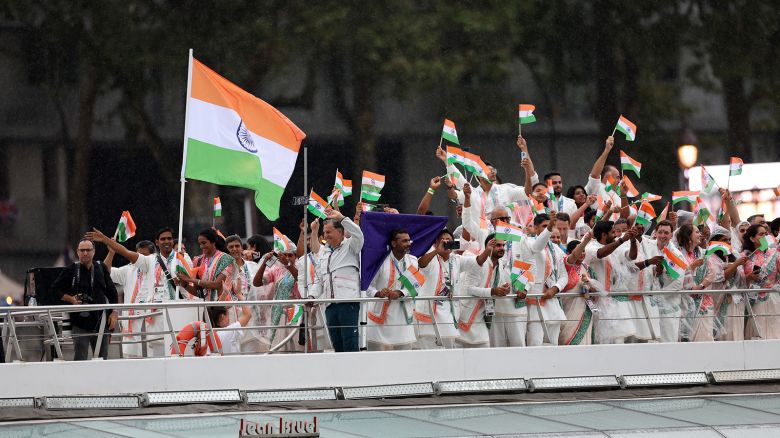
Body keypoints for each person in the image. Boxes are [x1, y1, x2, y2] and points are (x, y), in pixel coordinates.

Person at [52, 238, 119, 360]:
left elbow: (112, 292)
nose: (85, 253)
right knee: (80, 357)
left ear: (94, 252)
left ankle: (101, 379)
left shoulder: (101, 268)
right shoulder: (71, 269)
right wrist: (70, 299)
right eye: (82, 250)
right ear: (77, 252)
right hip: (79, 321)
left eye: (88, 250)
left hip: (101, 320)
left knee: (102, 358)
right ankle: (80, 379)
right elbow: (54, 289)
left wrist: (114, 313)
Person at [308, 208, 363, 352]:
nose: (326, 235)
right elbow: (320, 280)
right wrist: (312, 296)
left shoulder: (351, 246)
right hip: (330, 306)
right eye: (324, 232)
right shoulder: (325, 252)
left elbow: (359, 234)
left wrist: (342, 217)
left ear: (340, 232)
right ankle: (341, 373)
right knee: (337, 346)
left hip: (348, 303)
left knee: (350, 345)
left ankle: (353, 374)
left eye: (329, 232)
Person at [366, 229, 418, 350]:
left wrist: (399, 293)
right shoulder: (380, 261)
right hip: (379, 320)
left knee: (404, 360)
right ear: (394, 243)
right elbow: (367, 286)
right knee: (377, 361)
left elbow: (416, 287)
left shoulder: (413, 261)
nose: (409, 243)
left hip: (403, 319)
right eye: (404, 241)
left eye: (409, 240)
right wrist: (378, 293)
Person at [584, 221, 636, 344]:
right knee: (600, 340)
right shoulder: (590, 247)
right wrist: (621, 240)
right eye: (612, 232)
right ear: (604, 235)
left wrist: (633, 241)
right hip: (596, 302)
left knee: (618, 340)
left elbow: (631, 257)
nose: (615, 235)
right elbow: (600, 253)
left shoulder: (615, 246)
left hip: (613, 301)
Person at [458, 235, 514, 348]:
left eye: (503, 245)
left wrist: (505, 289)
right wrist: (493, 291)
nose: (502, 248)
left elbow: (497, 287)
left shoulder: (500, 265)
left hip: (481, 318)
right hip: (465, 315)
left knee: (484, 348)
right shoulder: (479, 262)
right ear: (489, 246)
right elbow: (468, 289)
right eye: (498, 245)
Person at [520, 213, 567, 346]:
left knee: (553, 345)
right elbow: (537, 247)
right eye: (544, 226)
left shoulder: (556, 249)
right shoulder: (528, 242)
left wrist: (555, 288)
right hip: (535, 300)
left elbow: (564, 275)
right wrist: (550, 227)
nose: (549, 229)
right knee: (536, 344)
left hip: (552, 302)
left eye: (550, 226)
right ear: (535, 228)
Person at [104, 239, 155, 357]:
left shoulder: (157, 268)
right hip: (130, 325)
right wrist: (111, 253)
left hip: (150, 323)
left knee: (150, 360)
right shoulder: (129, 269)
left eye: (145, 256)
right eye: (139, 255)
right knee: (129, 360)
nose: (140, 259)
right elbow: (106, 272)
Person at [415, 229, 463, 349]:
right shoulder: (431, 257)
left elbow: (477, 262)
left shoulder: (456, 260)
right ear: (435, 243)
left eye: (449, 241)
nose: (446, 243)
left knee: (449, 353)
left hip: (448, 314)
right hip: (429, 315)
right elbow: (421, 264)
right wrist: (437, 251)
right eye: (443, 241)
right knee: (428, 355)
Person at [253, 241, 300, 347]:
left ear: (295, 256)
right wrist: (265, 263)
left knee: (298, 346)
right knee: (279, 347)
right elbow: (257, 283)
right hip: (279, 311)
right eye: (284, 255)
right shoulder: (276, 270)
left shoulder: (301, 267)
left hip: (297, 311)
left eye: (290, 255)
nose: (287, 257)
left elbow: (299, 278)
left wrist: (287, 265)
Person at [706, 226, 748, 341]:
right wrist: (736, 264)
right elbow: (720, 277)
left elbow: (741, 279)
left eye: (729, 240)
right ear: (716, 242)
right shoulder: (711, 257)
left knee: (737, 334)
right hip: (721, 301)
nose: (728, 242)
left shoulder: (732, 255)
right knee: (725, 334)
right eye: (725, 240)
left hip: (736, 301)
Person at [743, 223, 780, 339]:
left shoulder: (776, 254)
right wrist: (748, 277)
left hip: (773, 298)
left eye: (766, 234)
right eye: (761, 234)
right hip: (755, 298)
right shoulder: (746, 257)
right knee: (757, 331)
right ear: (752, 238)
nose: (765, 236)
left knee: (774, 330)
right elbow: (740, 279)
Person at [177, 229, 235, 301]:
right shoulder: (198, 261)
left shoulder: (226, 259)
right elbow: (198, 292)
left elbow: (216, 284)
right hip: (206, 307)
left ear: (213, 242)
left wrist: (190, 279)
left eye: (204, 243)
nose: (201, 246)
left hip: (224, 306)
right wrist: (184, 284)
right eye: (200, 244)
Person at [559, 235, 596, 345]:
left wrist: (589, 283)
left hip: (585, 310)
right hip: (568, 310)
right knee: (567, 341)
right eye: (579, 250)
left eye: (584, 250)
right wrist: (586, 240)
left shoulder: (588, 268)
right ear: (569, 252)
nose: (582, 253)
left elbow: (596, 291)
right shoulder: (566, 265)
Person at [207, 289, 253, 355]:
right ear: (222, 317)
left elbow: (214, 310)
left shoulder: (208, 335)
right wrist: (239, 294)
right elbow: (248, 315)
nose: (229, 318)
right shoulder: (228, 332)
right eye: (228, 314)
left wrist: (224, 293)